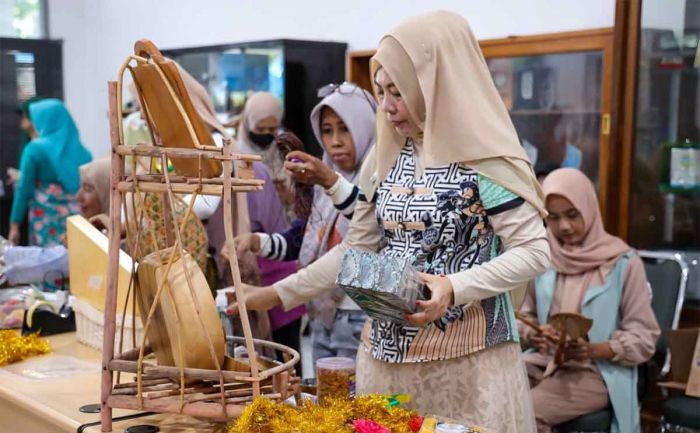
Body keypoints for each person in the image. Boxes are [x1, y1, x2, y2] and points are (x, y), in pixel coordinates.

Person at [231, 11, 550, 431]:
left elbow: (534, 251)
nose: (387, 106)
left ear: (435, 84)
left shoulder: (483, 161)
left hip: (468, 364)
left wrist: (454, 287)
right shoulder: (384, 161)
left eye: (398, 91)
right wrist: (274, 294)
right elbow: (355, 251)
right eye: (381, 91)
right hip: (386, 360)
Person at [233, 83, 376, 362]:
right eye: (327, 131)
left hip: (364, 318)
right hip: (322, 315)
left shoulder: (380, 180)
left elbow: (366, 226)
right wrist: (255, 242)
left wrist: (330, 181)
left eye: (345, 128)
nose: (335, 141)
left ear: (365, 127)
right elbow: (303, 238)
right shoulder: (324, 185)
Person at [518, 168, 660, 433]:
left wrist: (594, 349)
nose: (564, 227)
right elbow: (524, 315)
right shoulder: (545, 257)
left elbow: (645, 337)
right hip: (545, 360)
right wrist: (533, 333)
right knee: (495, 395)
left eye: (572, 215)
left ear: (589, 208)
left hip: (597, 372)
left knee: (526, 413)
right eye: (554, 218)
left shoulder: (623, 263)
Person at [8, 99, 92, 246]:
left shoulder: (34, 149)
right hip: (77, 222)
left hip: (46, 223)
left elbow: (24, 190)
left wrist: (14, 224)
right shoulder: (85, 154)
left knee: (48, 265)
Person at [236, 92, 296, 222]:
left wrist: (289, 198)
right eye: (260, 129)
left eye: (272, 129)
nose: (266, 134)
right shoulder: (236, 158)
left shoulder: (286, 153)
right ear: (248, 125)